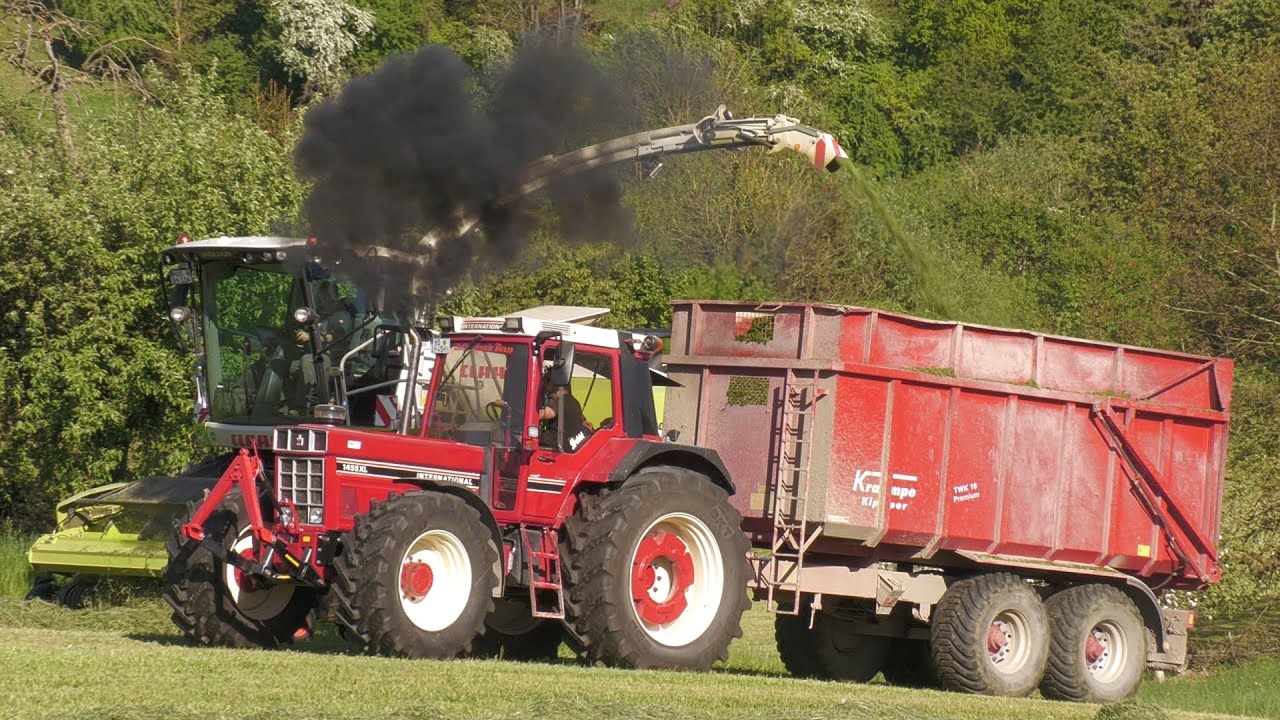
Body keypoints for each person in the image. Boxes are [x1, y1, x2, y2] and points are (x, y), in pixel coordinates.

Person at [539, 381, 591, 452]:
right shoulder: (574, 401)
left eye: (550, 396)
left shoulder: (562, 400)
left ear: (557, 389)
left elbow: (546, 413)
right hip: (567, 444)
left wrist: (525, 414)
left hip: (554, 443)